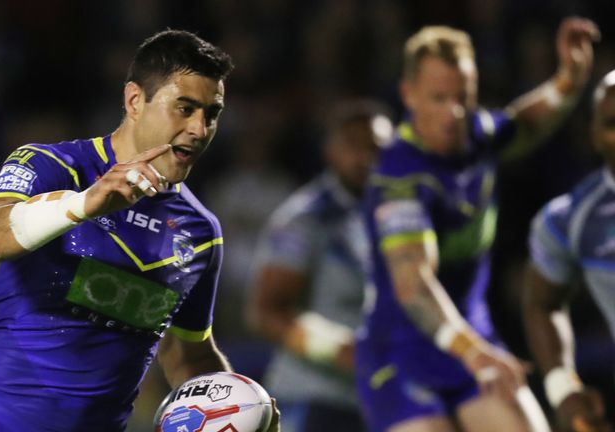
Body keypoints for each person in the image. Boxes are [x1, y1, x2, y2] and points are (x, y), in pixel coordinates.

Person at [0, 29, 278, 432]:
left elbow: (186, 353)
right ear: (135, 100)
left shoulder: (200, 231)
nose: (199, 128)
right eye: (185, 108)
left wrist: (242, 408)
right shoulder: (54, 166)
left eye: (212, 113)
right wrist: (83, 203)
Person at [355, 17, 599, 432]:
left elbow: (524, 122)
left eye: (462, 97)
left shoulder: (476, 135)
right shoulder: (401, 179)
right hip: (402, 354)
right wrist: (473, 352)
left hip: (473, 338)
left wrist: (569, 80)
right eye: (438, 98)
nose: (453, 113)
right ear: (408, 95)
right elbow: (413, 286)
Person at [247, 100, 392, 432]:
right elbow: (267, 311)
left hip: (383, 400)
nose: (365, 158)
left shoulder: (401, 214)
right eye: (352, 145)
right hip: (315, 398)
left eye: (375, 147)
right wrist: (340, 351)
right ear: (330, 150)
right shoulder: (303, 220)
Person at [523, 70, 615, 432]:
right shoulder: (571, 220)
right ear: (594, 136)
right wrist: (563, 389)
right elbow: (541, 302)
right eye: (613, 123)